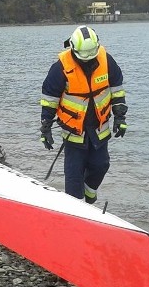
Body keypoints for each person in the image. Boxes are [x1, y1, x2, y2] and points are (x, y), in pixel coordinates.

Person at [39, 25, 127, 203]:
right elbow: (50, 99)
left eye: (91, 57)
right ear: (73, 48)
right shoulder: (60, 68)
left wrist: (120, 117)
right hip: (74, 133)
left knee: (101, 165)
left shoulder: (106, 60)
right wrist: (45, 127)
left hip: (99, 128)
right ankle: (75, 210)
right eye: (83, 58)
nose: (87, 61)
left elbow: (117, 89)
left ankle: (89, 194)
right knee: (74, 176)